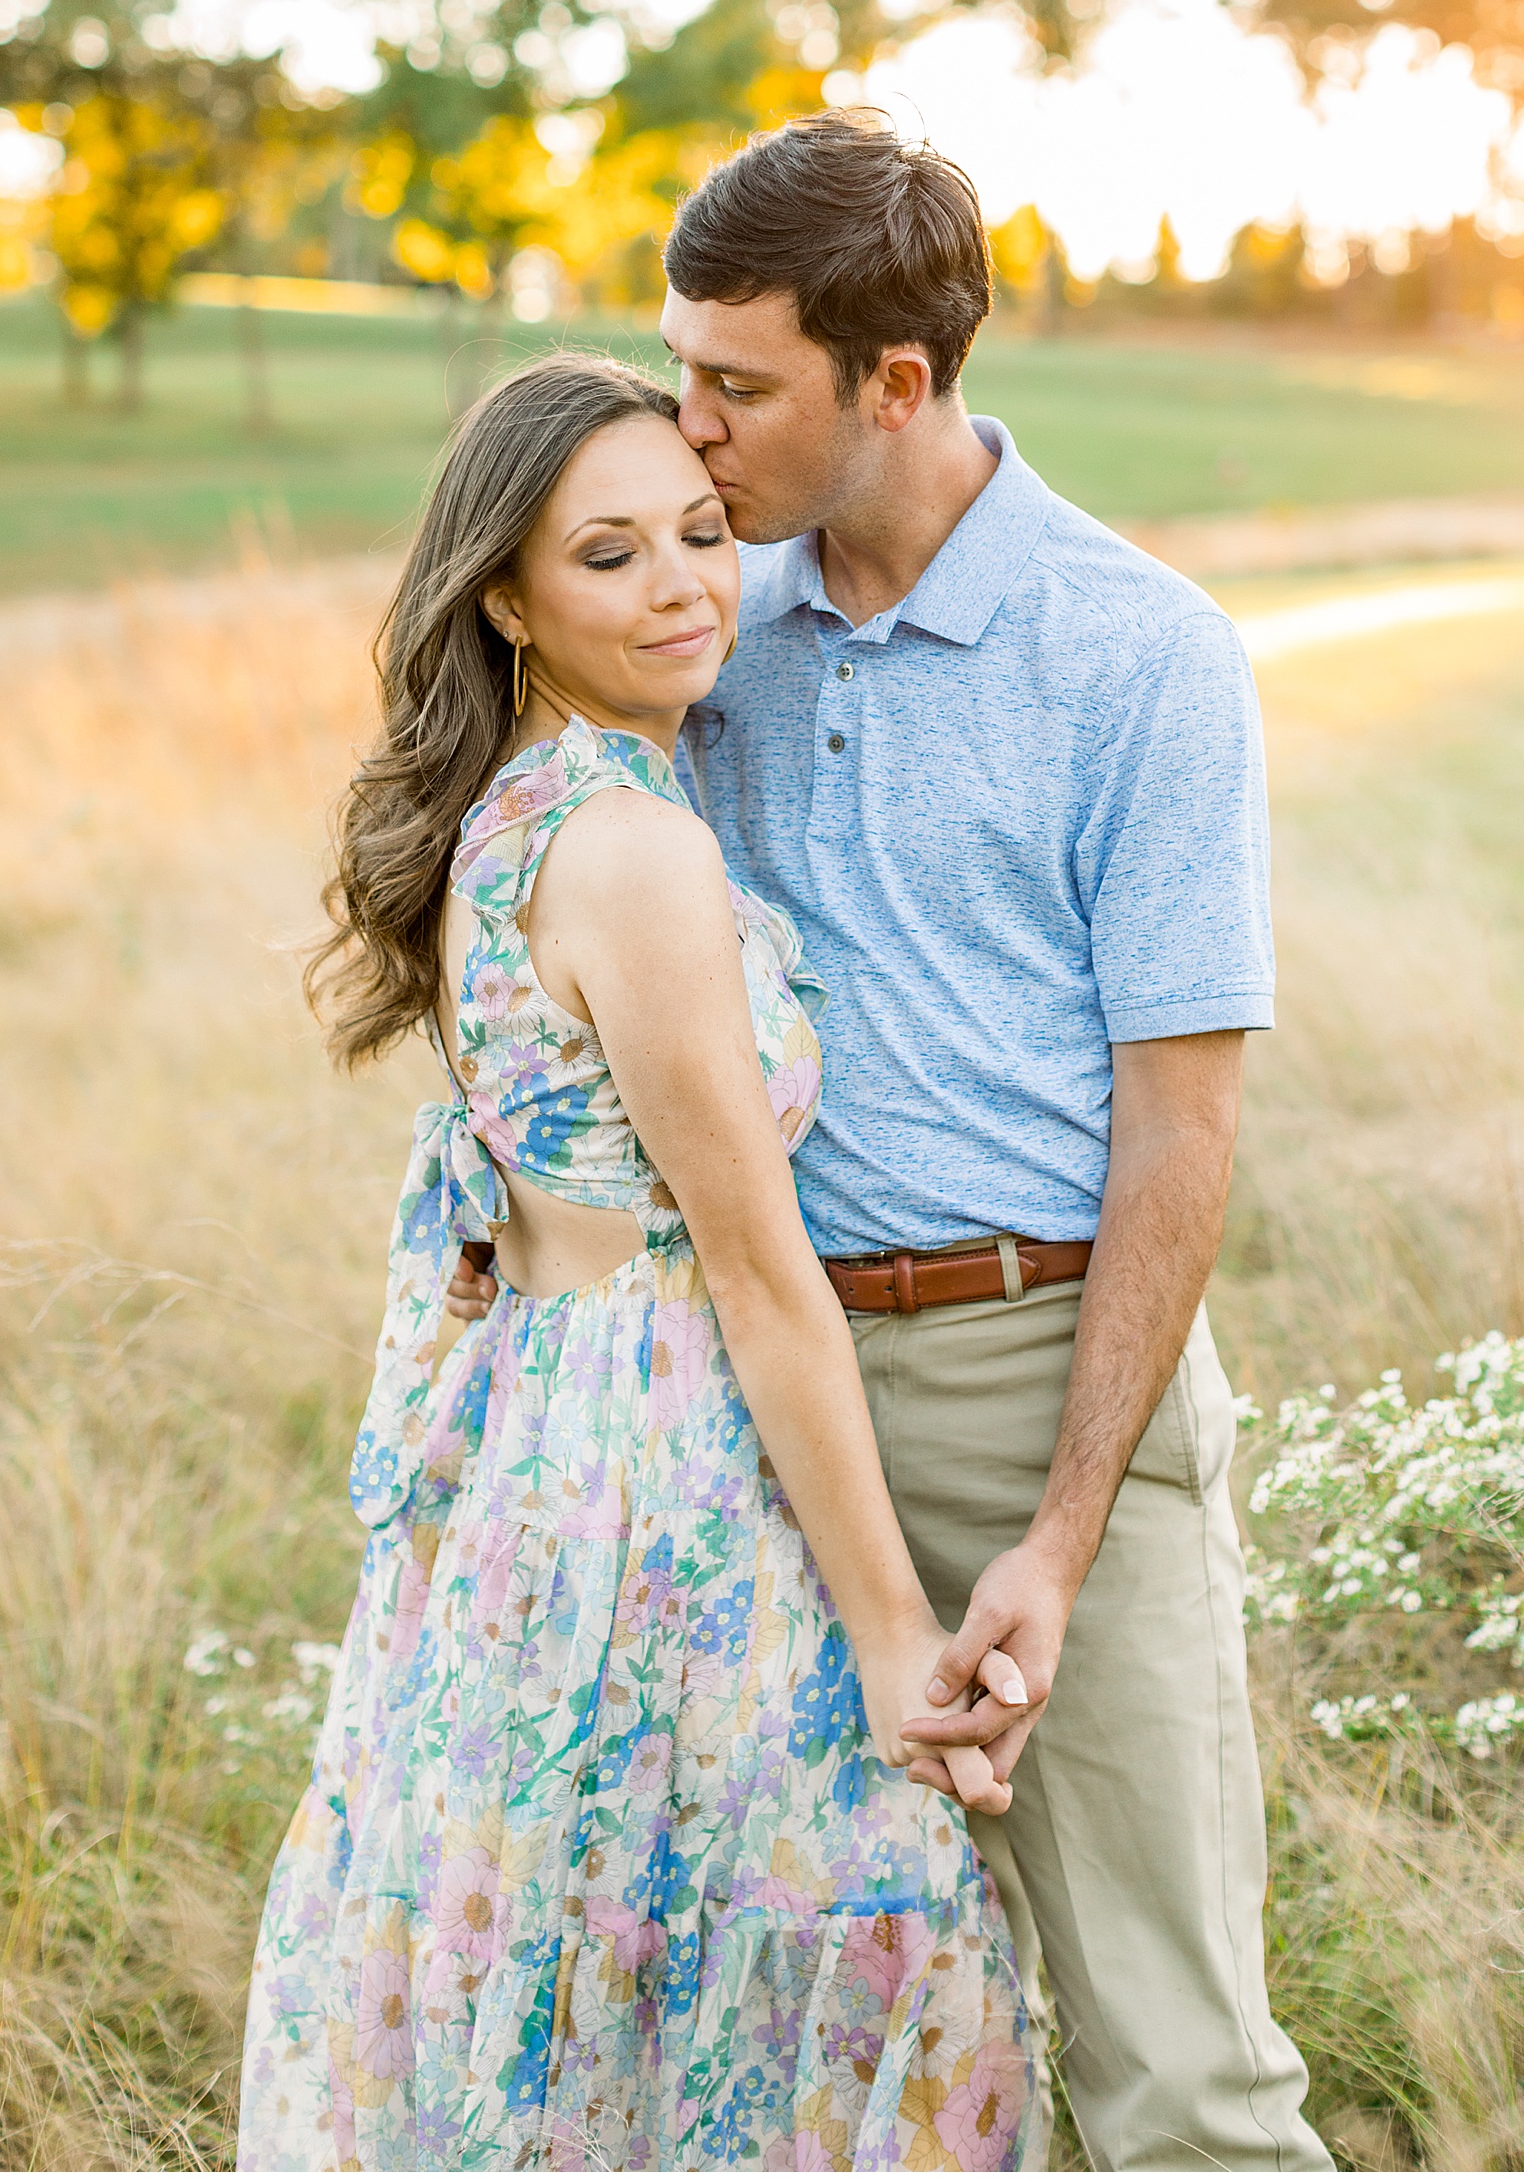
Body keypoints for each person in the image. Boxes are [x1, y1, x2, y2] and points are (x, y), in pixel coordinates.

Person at [452, 113, 1333, 2172]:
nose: (690, 431)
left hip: (1035, 1384)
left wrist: (1058, 1529)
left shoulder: (1143, 659)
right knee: (799, 2059)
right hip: (727, 1414)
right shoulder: (695, 609)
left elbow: (1183, 1135)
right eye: (679, 367)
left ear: (899, 383)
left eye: (735, 387)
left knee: (1172, 2065)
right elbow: (557, 930)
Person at [237, 355, 1042, 2174]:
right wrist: (892, 1623)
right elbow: (759, 1277)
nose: (685, 584)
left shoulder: (500, 817)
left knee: (571, 1957)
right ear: (506, 594)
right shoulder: (635, 853)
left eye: (699, 532)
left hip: (544, 1427)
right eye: (609, 555)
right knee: (820, 1942)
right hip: (665, 1465)